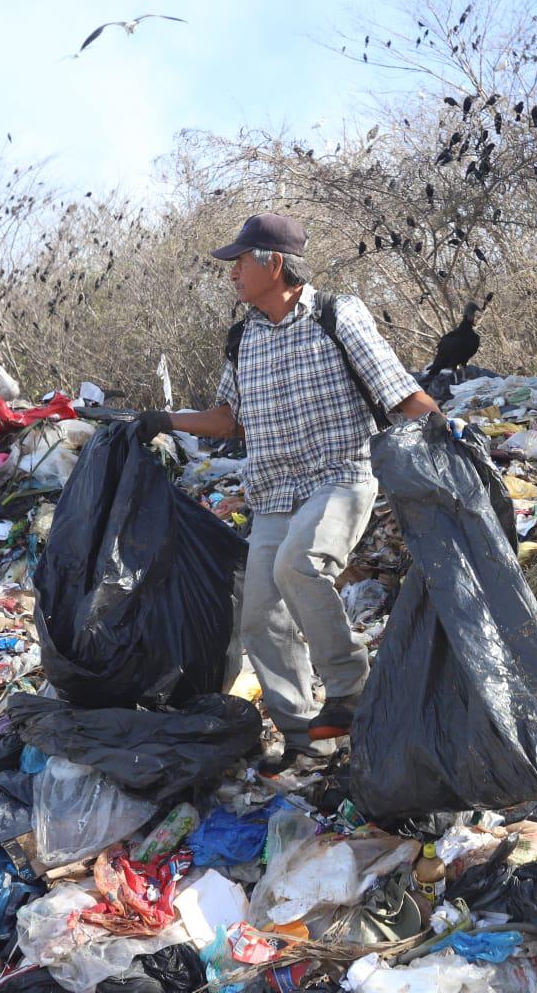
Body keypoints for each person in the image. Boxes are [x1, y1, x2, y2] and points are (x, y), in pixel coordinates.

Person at [134, 213, 440, 773]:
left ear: (273, 264)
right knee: (258, 618)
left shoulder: (335, 315)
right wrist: (165, 419)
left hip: (340, 474)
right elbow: (229, 419)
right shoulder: (243, 337)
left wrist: (449, 435)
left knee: (301, 565)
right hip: (273, 490)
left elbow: (396, 389)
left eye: (238, 263)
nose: (231, 276)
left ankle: (350, 688)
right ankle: (306, 736)